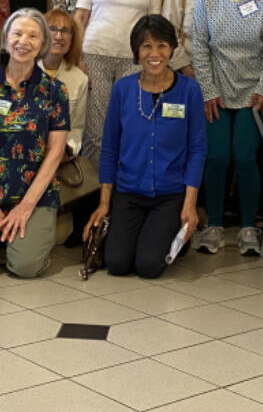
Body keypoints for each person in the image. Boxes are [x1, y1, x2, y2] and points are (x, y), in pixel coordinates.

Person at [86, 15, 206, 278]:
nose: (154, 54)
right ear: (136, 51)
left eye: (162, 45)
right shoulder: (123, 89)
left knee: (148, 266)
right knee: (116, 264)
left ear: (172, 49)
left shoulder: (189, 91)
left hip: (170, 194)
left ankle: (173, 236)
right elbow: (110, 147)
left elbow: (197, 150)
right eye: (146, 46)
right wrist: (104, 203)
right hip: (129, 192)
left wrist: (190, 204)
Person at [192, 0, 263, 255]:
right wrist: (207, 89)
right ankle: (213, 225)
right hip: (215, 89)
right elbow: (200, 46)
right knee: (216, 158)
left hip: (253, 93)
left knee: (245, 158)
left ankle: (248, 228)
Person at [0, 9, 69, 277]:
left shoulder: (55, 91)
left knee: (26, 267)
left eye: (33, 35)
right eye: (17, 33)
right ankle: (6, 238)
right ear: (5, 38)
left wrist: (26, 206)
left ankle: (20, 239)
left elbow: (55, 153)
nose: (24, 41)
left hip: (35, 192)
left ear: (42, 44)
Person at [74, 0, 163, 164]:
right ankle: (94, 193)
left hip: (133, 60)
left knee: (131, 128)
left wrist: (152, 64)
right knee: (96, 130)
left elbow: (152, 23)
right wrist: (77, 58)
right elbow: (81, 16)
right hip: (94, 55)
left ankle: (121, 194)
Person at [42, 8, 95, 246]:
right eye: (53, 29)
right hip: (25, 157)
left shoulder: (79, 79)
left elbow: (77, 127)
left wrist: (67, 150)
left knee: (55, 238)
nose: (59, 36)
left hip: (60, 159)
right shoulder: (24, 69)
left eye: (66, 31)